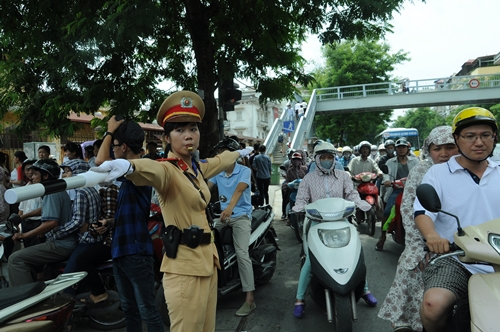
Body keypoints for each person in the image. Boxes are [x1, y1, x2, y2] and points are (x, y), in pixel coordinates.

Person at [91, 91, 253, 332]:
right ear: (166, 137)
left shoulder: (195, 168)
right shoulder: (168, 170)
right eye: (179, 130)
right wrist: (128, 165)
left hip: (208, 263)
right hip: (185, 270)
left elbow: (219, 161)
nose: (188, 135)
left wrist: (238, 153)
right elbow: (150, 169)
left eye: (193, 129)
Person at [414, 107, 500, 332]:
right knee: (434, 305)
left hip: (498, 258)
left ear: (494, 138)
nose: (478, 142)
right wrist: (432, 237)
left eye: (485, 135)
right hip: (457, 258)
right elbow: (423, 213)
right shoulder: (438, 174)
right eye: (470, 136)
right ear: (457, 139)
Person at [378, 126, 458, 332]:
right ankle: (405, 317)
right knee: (410, 261)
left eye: (450, 147)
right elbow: (409, 208)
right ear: (428, 150)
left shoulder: (469, 168)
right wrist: (421, 244)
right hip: (426, 237)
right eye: (437, 148)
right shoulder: (421, 169)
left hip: (466, 240)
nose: (444, 153)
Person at [93, 115, 163, 331]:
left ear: (123, 147)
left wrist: (110, 130)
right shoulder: (131, 171)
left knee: (147, 310)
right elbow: (134, 212)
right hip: (123, 250)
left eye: (114, 146)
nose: (112, 149)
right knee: (130, 309)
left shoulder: (139, 167)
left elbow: (100, 163)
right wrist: (111, 221)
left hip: (135, 252)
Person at [291, 142, 378, 319]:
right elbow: (301, 198)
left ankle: (364, 289)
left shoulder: (343, 176)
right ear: (316, 159)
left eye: (330, 157)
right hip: (316, 223)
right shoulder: (308, 179)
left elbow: (352, 194)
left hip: (341, 221)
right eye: (323, 158)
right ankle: (299, 299)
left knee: (355, 256)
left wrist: (360, 203)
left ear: (334, 159)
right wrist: (299, 207)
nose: (326, 161)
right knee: (310, 260)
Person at [208, 137, 256, 316]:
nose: (219, 156)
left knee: (242, 253)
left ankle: (250, 299)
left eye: (222, 152)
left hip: (241, 216)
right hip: (222, 216)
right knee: (205, 243)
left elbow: (239, 190)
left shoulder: (243, 170)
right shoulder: (218, 172)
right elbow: (206, 189)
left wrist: (229, 207)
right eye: (218, 153)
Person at [8, 159, 76, 286]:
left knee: (15, 259)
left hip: (60, 244)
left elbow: (51, 223)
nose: (32, 177)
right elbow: (45, 209)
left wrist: (24, 235)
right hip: (61, 241)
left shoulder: (51, 193)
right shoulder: (56, 189)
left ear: (45, 176)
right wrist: (23, 217)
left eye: (35, 174)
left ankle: (24, 299)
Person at [59, 159, 101, 276]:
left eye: (68, 171)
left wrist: (57, 232)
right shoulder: (90, 189)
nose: (64, 175)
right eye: (64, 171)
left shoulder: (81, 192)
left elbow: (78, 221)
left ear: (78, 173)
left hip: (87, 240)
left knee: (68, 277)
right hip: (92, 238)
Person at [375, 138, 419, 251]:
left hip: (413, 191)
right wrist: (387, 181)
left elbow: (421, 173)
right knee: (387, 211)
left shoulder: (415, 161)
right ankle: (382, 237)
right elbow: (386, 175)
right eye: (399, 147)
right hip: (397, 190)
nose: (401, 149)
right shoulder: (390, 162)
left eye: (404, 147)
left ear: (408, 148)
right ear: (396, 149)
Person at [18, 159, 43, 248]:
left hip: (38, 223)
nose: (30, 172)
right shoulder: (25, 188)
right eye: (27, 170)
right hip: (26, 223)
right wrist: (18, 222)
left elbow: (44, 209)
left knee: (37, 249)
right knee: (27, 247)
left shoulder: (42, 188)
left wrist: (24, 216)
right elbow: (21, 208)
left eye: (33, 169)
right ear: (24, 172)